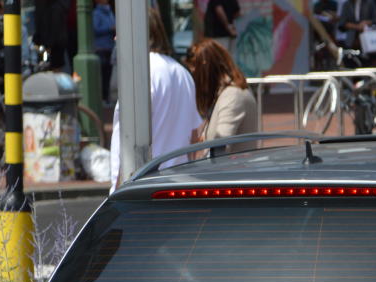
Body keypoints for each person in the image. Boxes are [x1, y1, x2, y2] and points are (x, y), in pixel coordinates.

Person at [108, 8, 201, 190]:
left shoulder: (140, 73)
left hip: (144, 183)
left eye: (120, 31)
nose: (116, 38)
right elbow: (195, 135)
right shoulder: (182, 73)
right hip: (179, 180)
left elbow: (126, 138)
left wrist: (118, 189)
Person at [186, 39, 259, 156]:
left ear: (205, 69)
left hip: (232, 172)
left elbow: (220, 148)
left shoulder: (232, 96)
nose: (195, 81)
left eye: (196, 74)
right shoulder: (227, 92)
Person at [94, 0, 116, 103]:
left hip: (109, 47)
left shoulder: (110, 12)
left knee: (108, 74)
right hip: (101, 48)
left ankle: (106, 97)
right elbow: (95, 29)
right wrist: (110, 28)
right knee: (102, 75)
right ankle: (102, 98)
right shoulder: (96, 13)